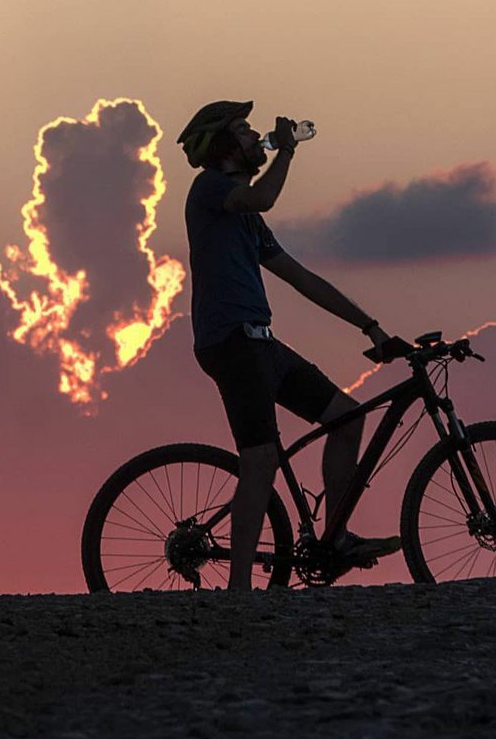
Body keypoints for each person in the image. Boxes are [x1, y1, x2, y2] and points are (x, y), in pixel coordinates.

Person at [177, 99, 402, 591]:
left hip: (261, 342)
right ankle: (239, 592)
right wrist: (288, 152)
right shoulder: (210, 189)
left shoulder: (248, 221)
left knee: (346, 415)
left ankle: (336, 539)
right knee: (260, 458)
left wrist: (370, 326)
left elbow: (301, 278)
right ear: (222, 146)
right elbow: (261, 198)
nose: (254, 135)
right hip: (231, 342)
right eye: (242, 130)